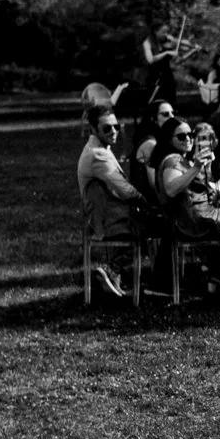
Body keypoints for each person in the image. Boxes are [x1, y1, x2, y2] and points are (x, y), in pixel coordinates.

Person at [76, 105, 141, 298]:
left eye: (116, 126)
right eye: (107, 128)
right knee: (158, 226)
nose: (114, 131)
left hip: (111, 213)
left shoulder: (100, 148)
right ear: (93, 129)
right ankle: (111, 270)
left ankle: (113, 276)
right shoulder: (97, 154)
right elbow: (125, 190)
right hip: (107, 218)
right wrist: (146, 202)